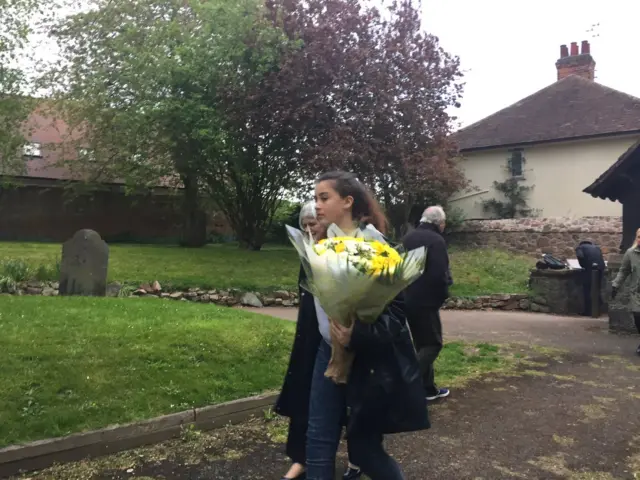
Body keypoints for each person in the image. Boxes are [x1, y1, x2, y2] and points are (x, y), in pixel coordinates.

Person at [303, 171, 429, 480]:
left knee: (365, 450)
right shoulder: (319, 243)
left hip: (366, 358)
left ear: (347, 202)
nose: (316, 205)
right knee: (318, 438)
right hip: (327, 352)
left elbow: (397, 310)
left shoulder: (375, 245)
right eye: (315, 197)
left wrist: (356, 334)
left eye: (324, 198)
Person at [275, 201, 362, 480]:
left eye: (314, 223)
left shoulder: (348, 247)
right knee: (307, 400)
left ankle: (359, 458)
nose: (309, 229)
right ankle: (301, 459)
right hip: (312, 336)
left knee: (353, 402)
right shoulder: (308, 251)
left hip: (344, 337)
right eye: (305, 225)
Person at [401, 206, 451, 401]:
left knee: (422, 344)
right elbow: (439, 274)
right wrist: (443, 295)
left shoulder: (408, 238)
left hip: (407, 297)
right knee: (433, 344)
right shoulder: (436, 240)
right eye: (443, 223)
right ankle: (406, 385)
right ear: (439, 223)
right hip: (427, 300)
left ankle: (427, 389)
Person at [611, 228, 640, 356]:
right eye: (639, 237)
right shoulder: (631, 253)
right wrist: (615, 285)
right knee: (638, 317)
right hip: (637, 293)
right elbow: (624, 271)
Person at [575, 240, 605, 316]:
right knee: (596, 288)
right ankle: (598, 308)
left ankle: (588, 311)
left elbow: (580, 256)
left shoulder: (580, 247)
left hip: (589, 269)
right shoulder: (597, 248)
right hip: (600, 269)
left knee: (587, 290)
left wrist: (583, 265)